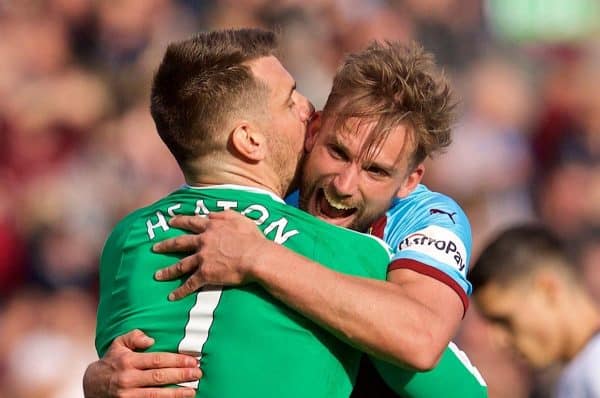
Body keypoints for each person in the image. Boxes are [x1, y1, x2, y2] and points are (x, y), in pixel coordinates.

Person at [85, 28, 487, 397]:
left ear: (410, 180)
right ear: (315, 132)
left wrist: (258, 257)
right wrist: (96, 380)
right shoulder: (328, 233)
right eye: (336, 151)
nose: (344, 185)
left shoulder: (426, 217)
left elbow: (419, 340)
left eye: (376, 171)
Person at [470, 225, 600, 398]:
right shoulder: (575, 376)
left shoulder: (594, 369)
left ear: (547, 290)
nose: (498, 340)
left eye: (504, 320)